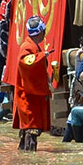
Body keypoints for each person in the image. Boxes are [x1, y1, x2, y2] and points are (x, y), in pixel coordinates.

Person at [13, 16, 53, 151]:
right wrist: (42, 56)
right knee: (31, 129)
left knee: (31, 129)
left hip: (32, 93)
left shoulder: (32, 45)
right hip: (28, 95)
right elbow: (24, 62)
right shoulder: (28, 46)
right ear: (42, 31)